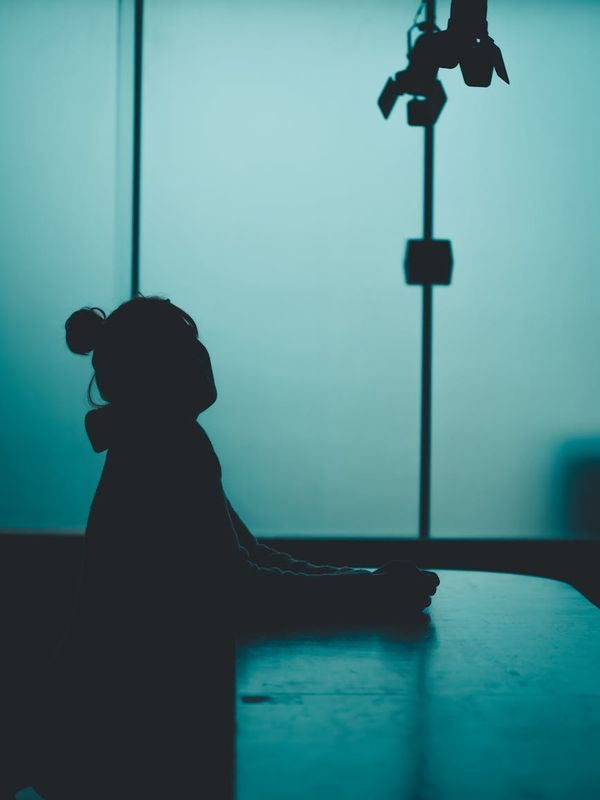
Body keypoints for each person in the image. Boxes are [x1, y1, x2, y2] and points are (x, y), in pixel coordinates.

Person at [3, 295, 439, 798]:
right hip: (123, 736)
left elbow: (246, 556)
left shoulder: (158, 434)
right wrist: (373, 593)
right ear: (158, 368)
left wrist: (367, 582)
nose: (203, 355)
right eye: (186, 346)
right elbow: (236, 587)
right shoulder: (166, 444)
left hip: (102, 717)